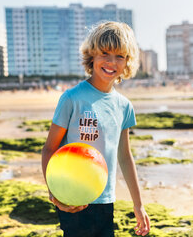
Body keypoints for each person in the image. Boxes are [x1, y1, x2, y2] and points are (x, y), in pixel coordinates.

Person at [41, 21, 150, 237]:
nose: (111, 62)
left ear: (128, 61)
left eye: (120, 56)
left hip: (105, 199)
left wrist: (138, 205)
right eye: (105, 54)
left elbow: (125, 156)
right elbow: (49, 149)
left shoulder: (124, 106)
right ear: (92, 56)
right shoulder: (72, 99)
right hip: (72, 197)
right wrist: (55, 195)